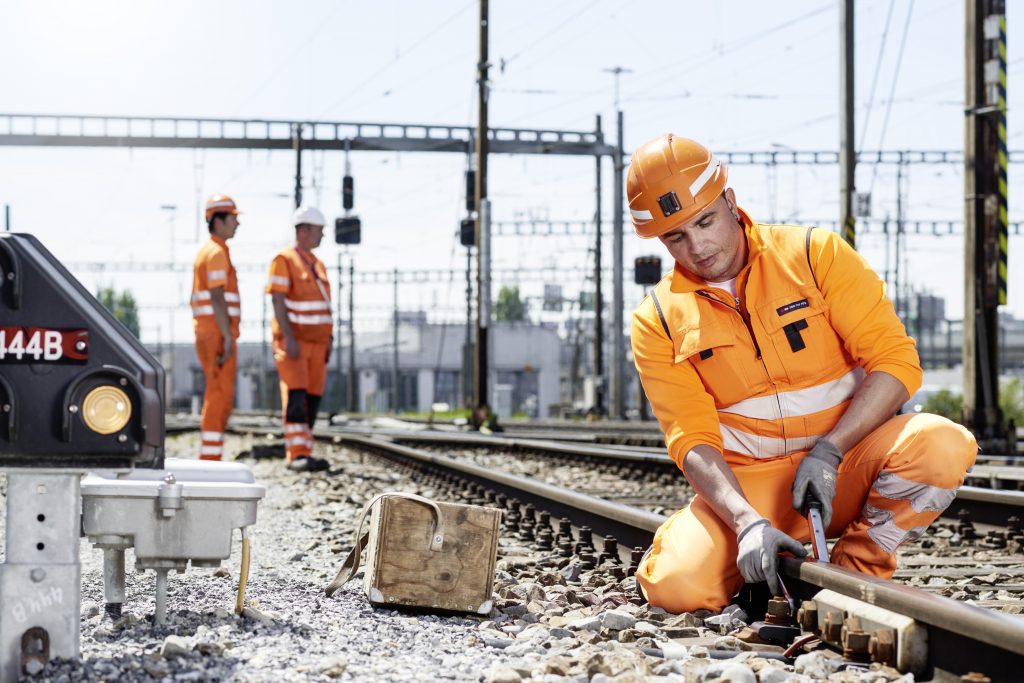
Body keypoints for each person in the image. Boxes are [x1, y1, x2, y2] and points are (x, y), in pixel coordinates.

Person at [627, 134, 977, 613]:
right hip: (755, 487)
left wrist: (831, 452)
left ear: (730, 201)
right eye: (676, 237)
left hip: (846, 465)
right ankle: (736, 543)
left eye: (705, 221)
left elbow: (896, 361)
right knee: (678, 588)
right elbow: (691, 439)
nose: (698, 246)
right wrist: (746, 521)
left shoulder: (815, 255)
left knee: (942, 443)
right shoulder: (658, 318)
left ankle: (858, 571)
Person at [266, 206, 333, 472]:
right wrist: (290, 337)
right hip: (295, 343)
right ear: (303, 230)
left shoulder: (317, 264)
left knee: (312, 399)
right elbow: (278, 299)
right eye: (319, 231)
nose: (322, 237)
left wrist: (330, 340)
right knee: (296, 397)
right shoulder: (284, 260)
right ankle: (296, 454)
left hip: (318, 345)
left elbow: (326, 307)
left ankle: (305, 448)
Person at [191, 194, 242, 461]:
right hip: (216, 333)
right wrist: (227, 336)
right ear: (218, 221)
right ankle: (210, 459)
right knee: (218, 394)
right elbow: (217, 295)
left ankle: (212, 455)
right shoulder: (216, 252)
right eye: (233, 218)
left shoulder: (211, 251)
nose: (237, 224)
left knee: (219, 393)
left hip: (212, 331)